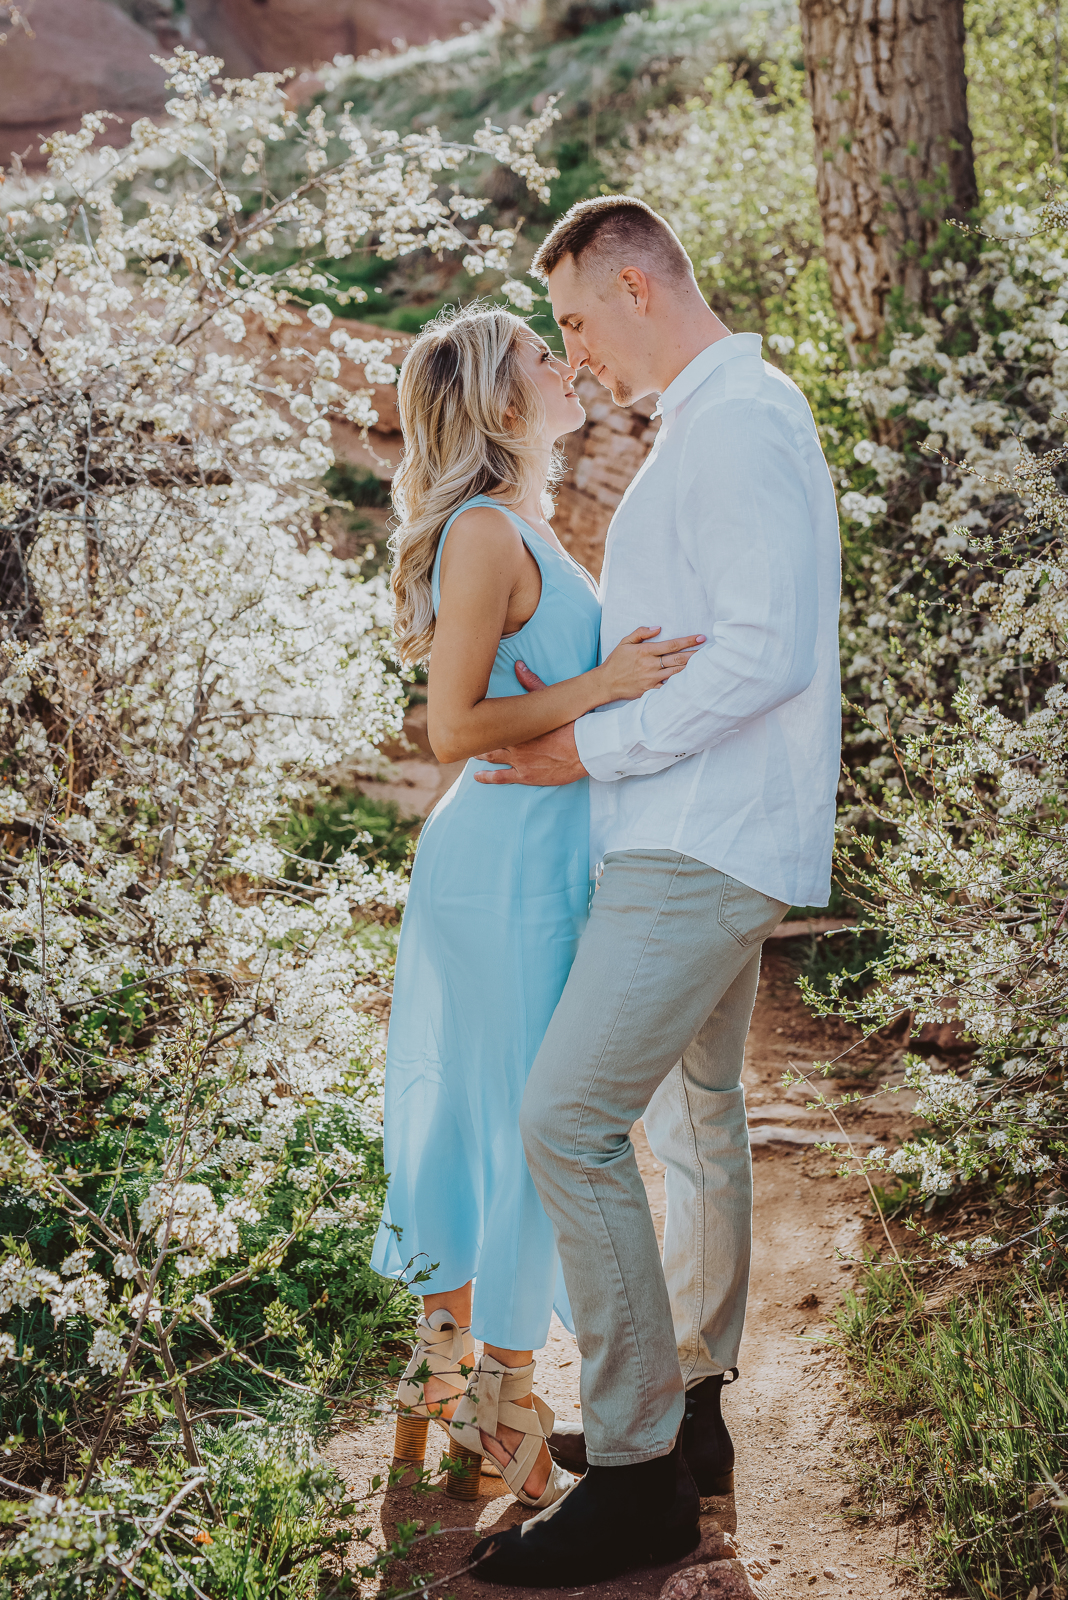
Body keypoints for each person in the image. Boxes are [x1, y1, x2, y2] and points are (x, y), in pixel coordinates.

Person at [468, 197, 842, 1585]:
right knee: (697, 1118)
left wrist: (585, 749)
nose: (575, 352)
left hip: (700, 839)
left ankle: (633, 1479)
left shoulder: (739, 424)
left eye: (573, 319)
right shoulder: (726, 419)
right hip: (701, 831)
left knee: (566, 1121)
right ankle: (690, 1417)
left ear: (634, 282)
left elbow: (768, 652)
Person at [370, 303, 704, 1512]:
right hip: (503, 869)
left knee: (492, 1121)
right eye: (538, 355)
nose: (566, 367)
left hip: (532, 864)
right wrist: (606, 684)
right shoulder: (480, 533)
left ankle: (441, 1382)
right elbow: (451, 728)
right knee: (520, 1130)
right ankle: (505, 1404)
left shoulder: (520, 527)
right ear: (503, 401)